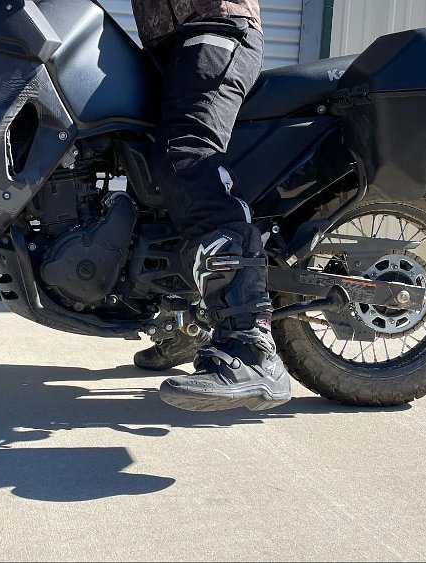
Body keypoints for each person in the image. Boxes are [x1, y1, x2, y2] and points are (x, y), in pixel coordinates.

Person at [129, 0, 292, 411]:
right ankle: (187, 322)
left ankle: (250, 346)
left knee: (187, 155)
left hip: (215, 25)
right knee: (144, 172)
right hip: (166, 42)